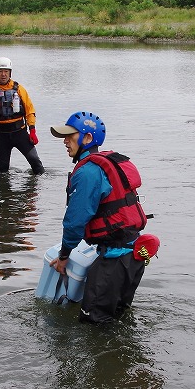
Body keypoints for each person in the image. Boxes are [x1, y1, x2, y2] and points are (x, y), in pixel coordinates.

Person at [49, 111, 155, 323]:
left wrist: (63, 256)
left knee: (93, 325)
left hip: (114, 263)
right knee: (117, 319)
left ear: (88, 138)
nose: (65, 141)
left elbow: (75, 222)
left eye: (70, 136)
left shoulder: (87, 172)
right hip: (134, 256)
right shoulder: (104, 163)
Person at [0, 56, 44, 174]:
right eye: (0, 71)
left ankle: (38, 188)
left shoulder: (19, 89)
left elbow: (30, 110)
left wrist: (33, 130)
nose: (3, 74)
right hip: (1, 135)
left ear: (10, 73)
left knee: (35, 163)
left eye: (6, 71)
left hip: (20, 133)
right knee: (2, 170)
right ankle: (4, 192)